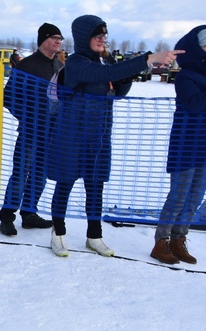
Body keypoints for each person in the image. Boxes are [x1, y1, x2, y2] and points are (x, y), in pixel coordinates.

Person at [46, 15, 182, 257]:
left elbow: (117, 90)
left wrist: (124, 78)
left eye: (104, 36)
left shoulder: (102, 63)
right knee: (65, 183)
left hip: (99, 135)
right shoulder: (77, 62)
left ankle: (94, 236)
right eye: (97, 35)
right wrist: (147, 59)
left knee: (95, 186)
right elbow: (100, 75)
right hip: (71, 135)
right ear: (83, 37)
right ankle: (58, 233)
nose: (102, 40)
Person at [0, 23, 64, 236]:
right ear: (42, 40)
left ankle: (29, 214)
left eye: (60, 38)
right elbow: (8, 97)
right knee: (20, 172)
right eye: (54, 37)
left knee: (41, 174)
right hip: (30, 131)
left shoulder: (59, 67)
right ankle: (7, 217)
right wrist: (28, 118)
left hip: (52, 132)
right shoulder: (27, 66)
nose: (58, 41)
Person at [150, 26, 206, 265]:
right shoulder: (185, 75)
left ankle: (178, 240)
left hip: (204, 145)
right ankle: (161, 242)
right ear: (197, 47)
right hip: (185, 145)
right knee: (179, 196)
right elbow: (195, 104)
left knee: (195, 197)